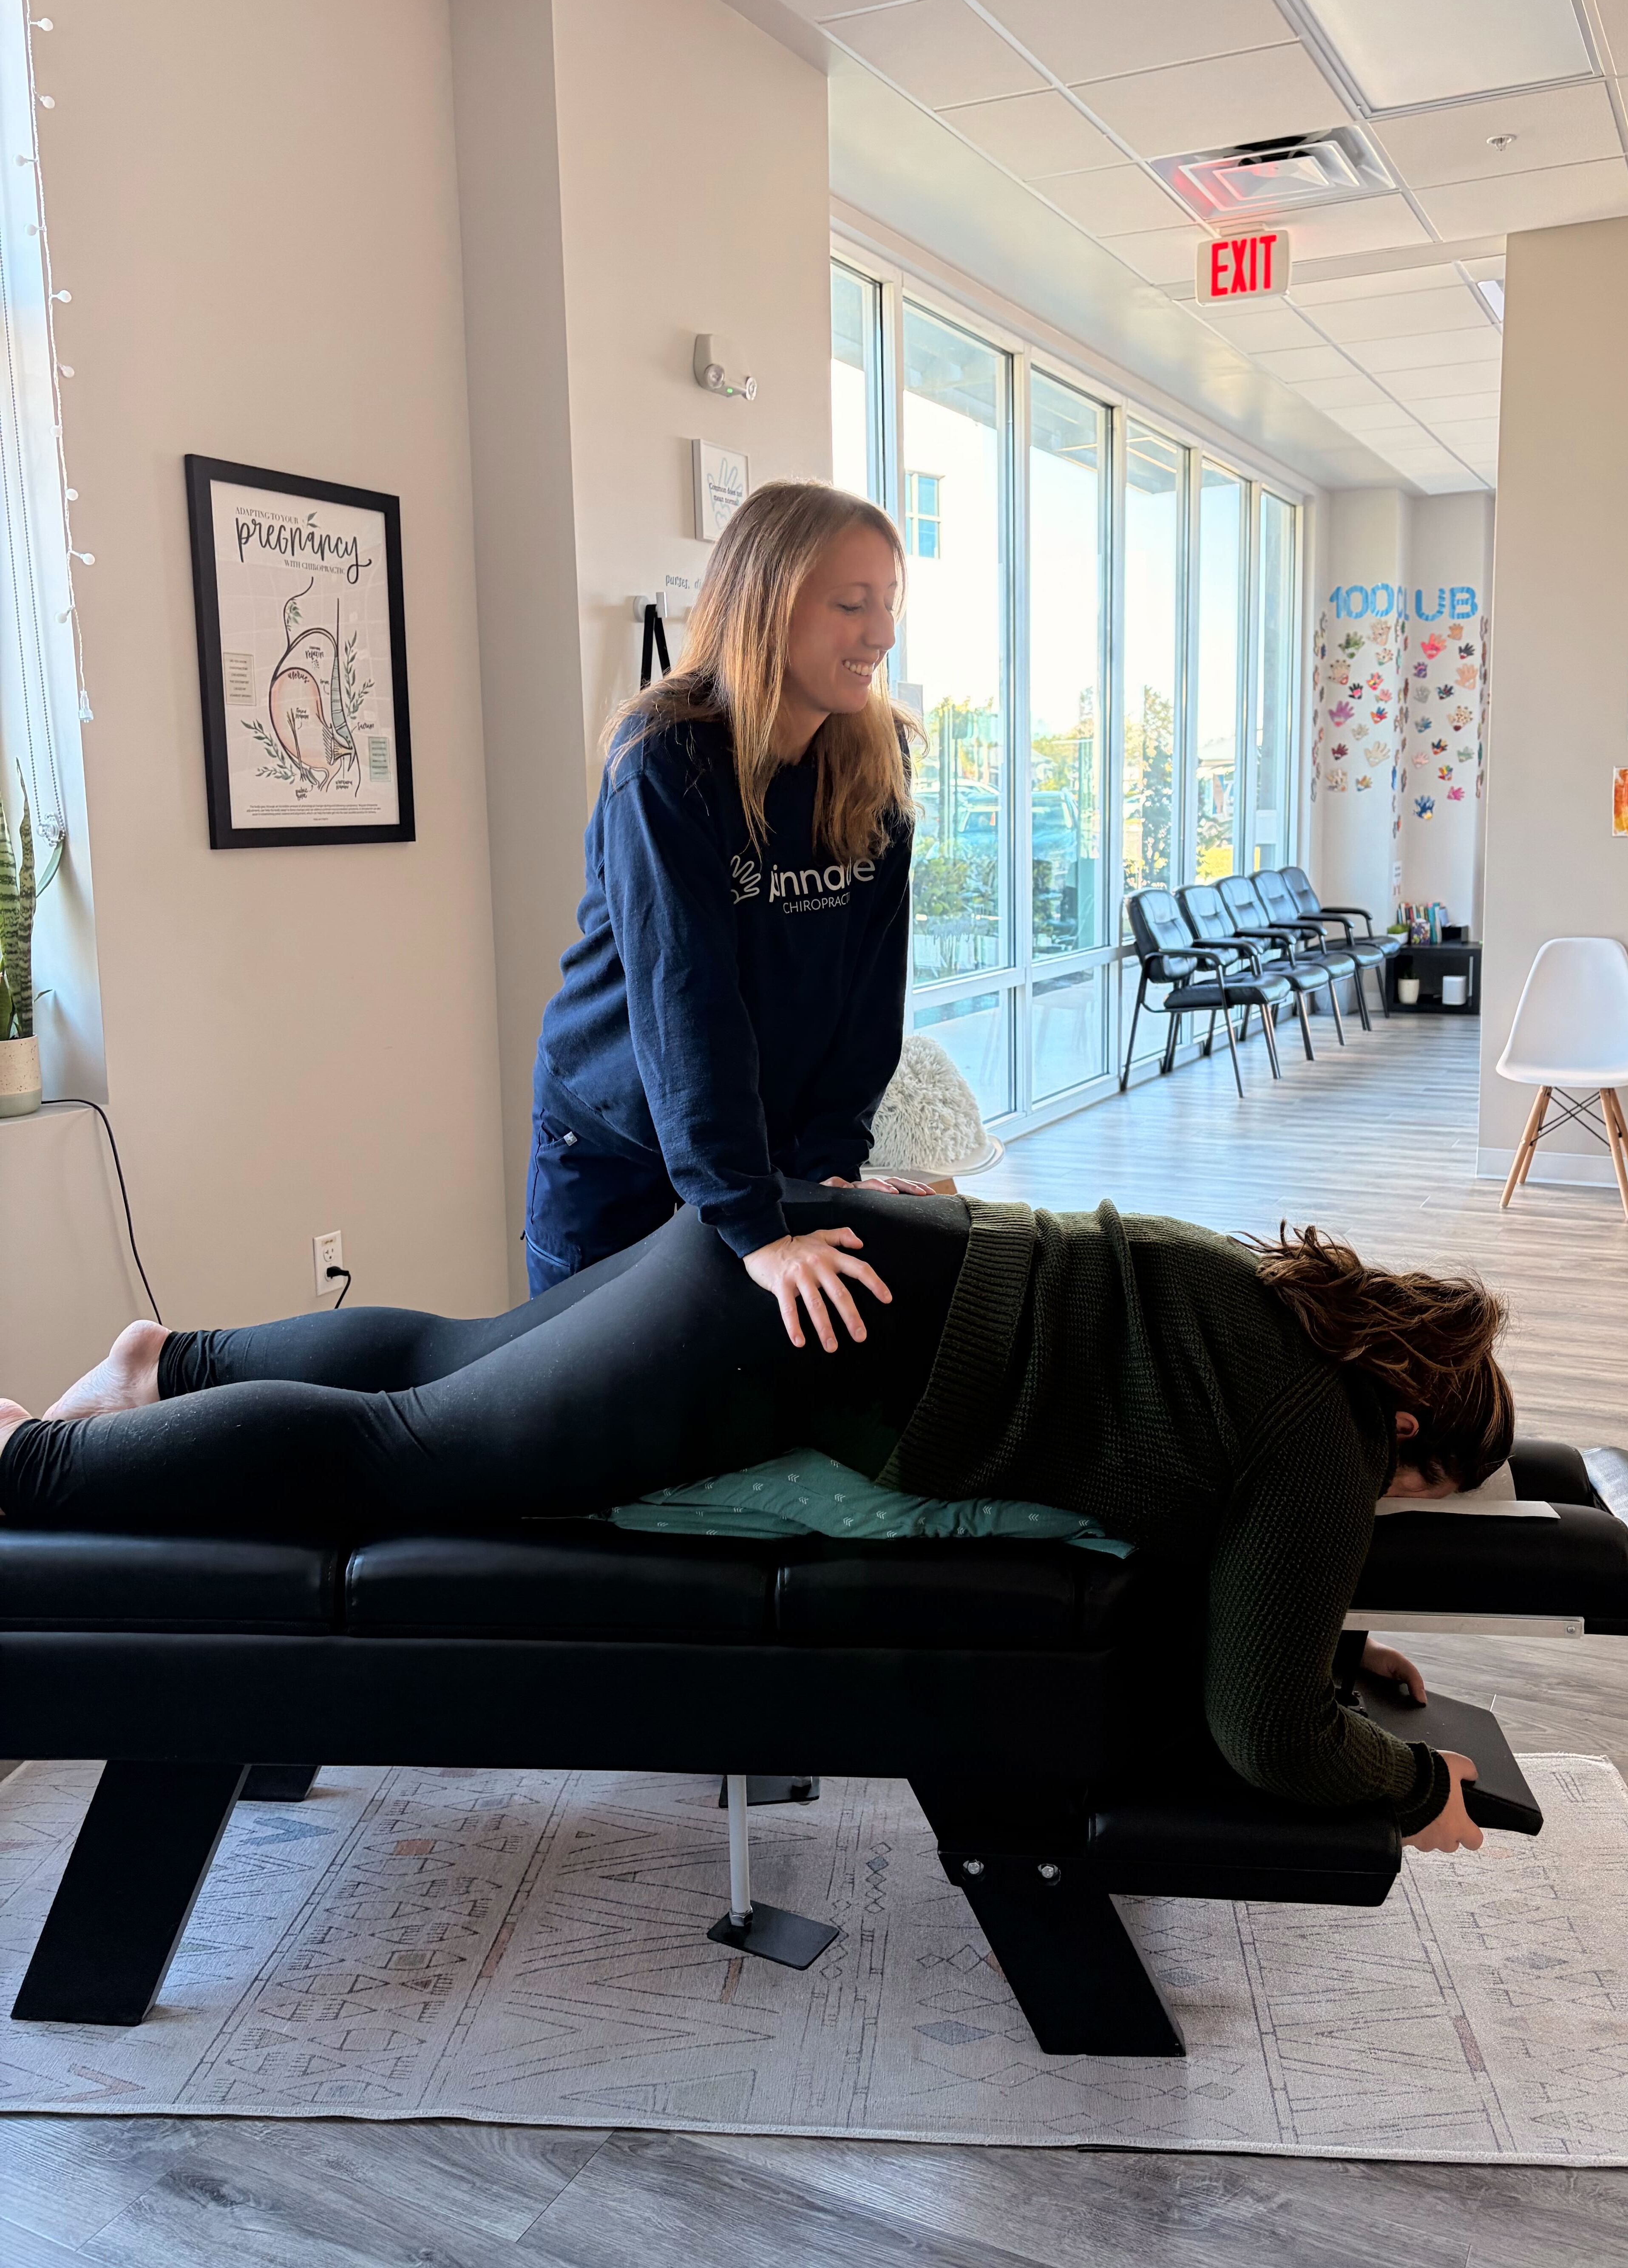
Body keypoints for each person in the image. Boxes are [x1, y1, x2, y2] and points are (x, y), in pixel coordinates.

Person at [0, 1197, 1515, 1857]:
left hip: (785, 1245)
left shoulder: (1282, 1312)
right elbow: (1266, 1735)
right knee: (407, 1452)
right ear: (1405, 1432)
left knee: (447, 1362)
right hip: (779, 1336)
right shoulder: (1322, 1442)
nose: (1377, 1513)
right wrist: (1407, 1786)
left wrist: (1336, 1643)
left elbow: (1238, 1577)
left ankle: (160, 1361)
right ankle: (34, 1471)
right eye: (1410, 1496)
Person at [523, 477, 930, 1311]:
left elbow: (868, 999)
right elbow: (686, 1001)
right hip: (617, 1134)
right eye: (852, 605)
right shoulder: (670, 758)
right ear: (769, 606)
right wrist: (756, 1224)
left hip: (761, 1146)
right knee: (575, 1407)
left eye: (888, 604)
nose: (882, 634)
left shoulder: (877, 755)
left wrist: (827, 1172)